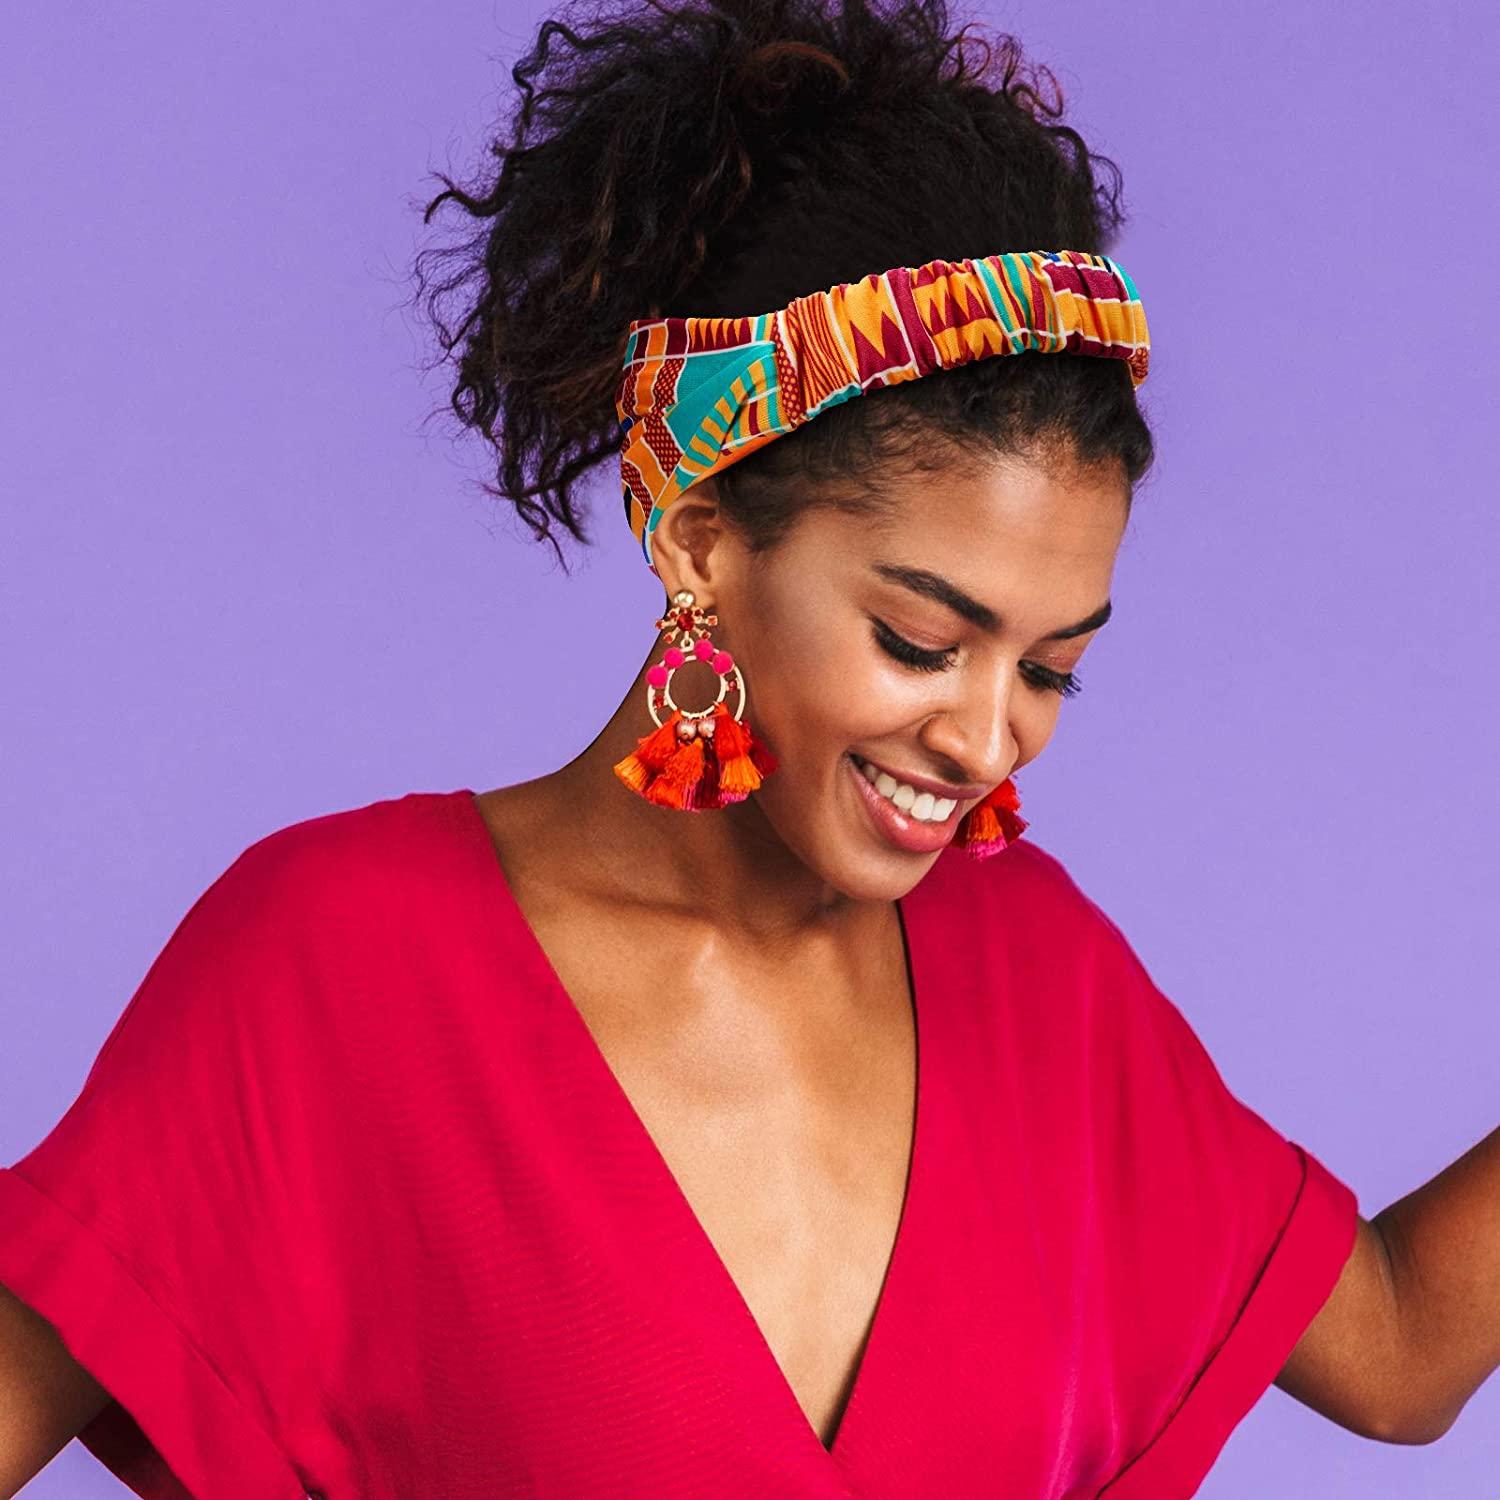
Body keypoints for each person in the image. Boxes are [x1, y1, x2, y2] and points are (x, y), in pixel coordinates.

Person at [2, 1, 1497, 1496]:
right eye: (920, 640)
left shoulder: (1036, 973)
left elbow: (1401, 1347)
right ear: (701, 541)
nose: (988, 739)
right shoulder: (342, 965)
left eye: (1052, 670)